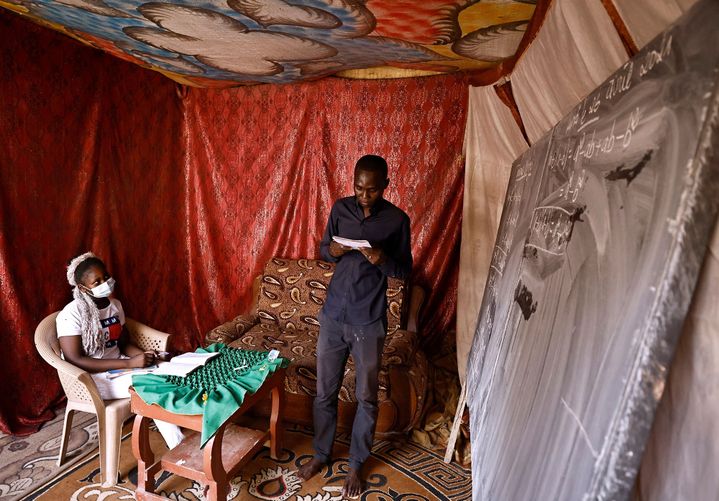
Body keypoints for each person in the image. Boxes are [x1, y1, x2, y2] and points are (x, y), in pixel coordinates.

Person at [298, 155, 412, 498]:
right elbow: (323, 250)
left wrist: (384, 260)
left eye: (372, 189)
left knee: (366, 396)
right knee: (324, 392)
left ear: (385, 186)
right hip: (333, 314)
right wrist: (331, 250)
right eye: (359, 187)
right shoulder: (340, 209)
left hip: (368, 321)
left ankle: (358, 464)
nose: (364, 195)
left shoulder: (396, 220)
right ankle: (321, 453)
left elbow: (404, 271)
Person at [56, 251, 184, 449]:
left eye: (105, 277)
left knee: (172, 372)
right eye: (96, 282)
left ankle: (196, 428)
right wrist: (129, 363)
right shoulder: (71, 314)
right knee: (151, 387)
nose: (104, 283)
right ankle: (180, 448)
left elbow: (123, 343)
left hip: (121, 367)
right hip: (93, 378)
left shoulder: (115, 305)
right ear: (83, 288)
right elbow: (74, 359)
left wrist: (142, 356)